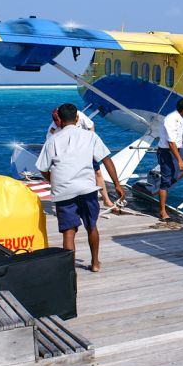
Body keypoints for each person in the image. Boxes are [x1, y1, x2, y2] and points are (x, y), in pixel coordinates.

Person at [36, 103, 125, 272]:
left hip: (63, 191)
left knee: (69, 233)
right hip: (87, 189)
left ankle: (70, 270)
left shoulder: (52, 140)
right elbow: (106, 159)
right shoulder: (90, 136)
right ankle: (95, 263)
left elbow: (43, 168)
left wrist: (53, 181)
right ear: (77, 118)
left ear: (59, 121)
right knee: (91, 226)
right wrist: (117, 184)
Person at [46, 107, 114, 207]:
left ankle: (106, 200)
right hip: (68, 153)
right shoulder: (52, 129)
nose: (60, 124)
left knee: (97, 172)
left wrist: (91, 144)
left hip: (85, 147)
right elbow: (51, 147)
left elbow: (91, 126)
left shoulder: (79, 115)